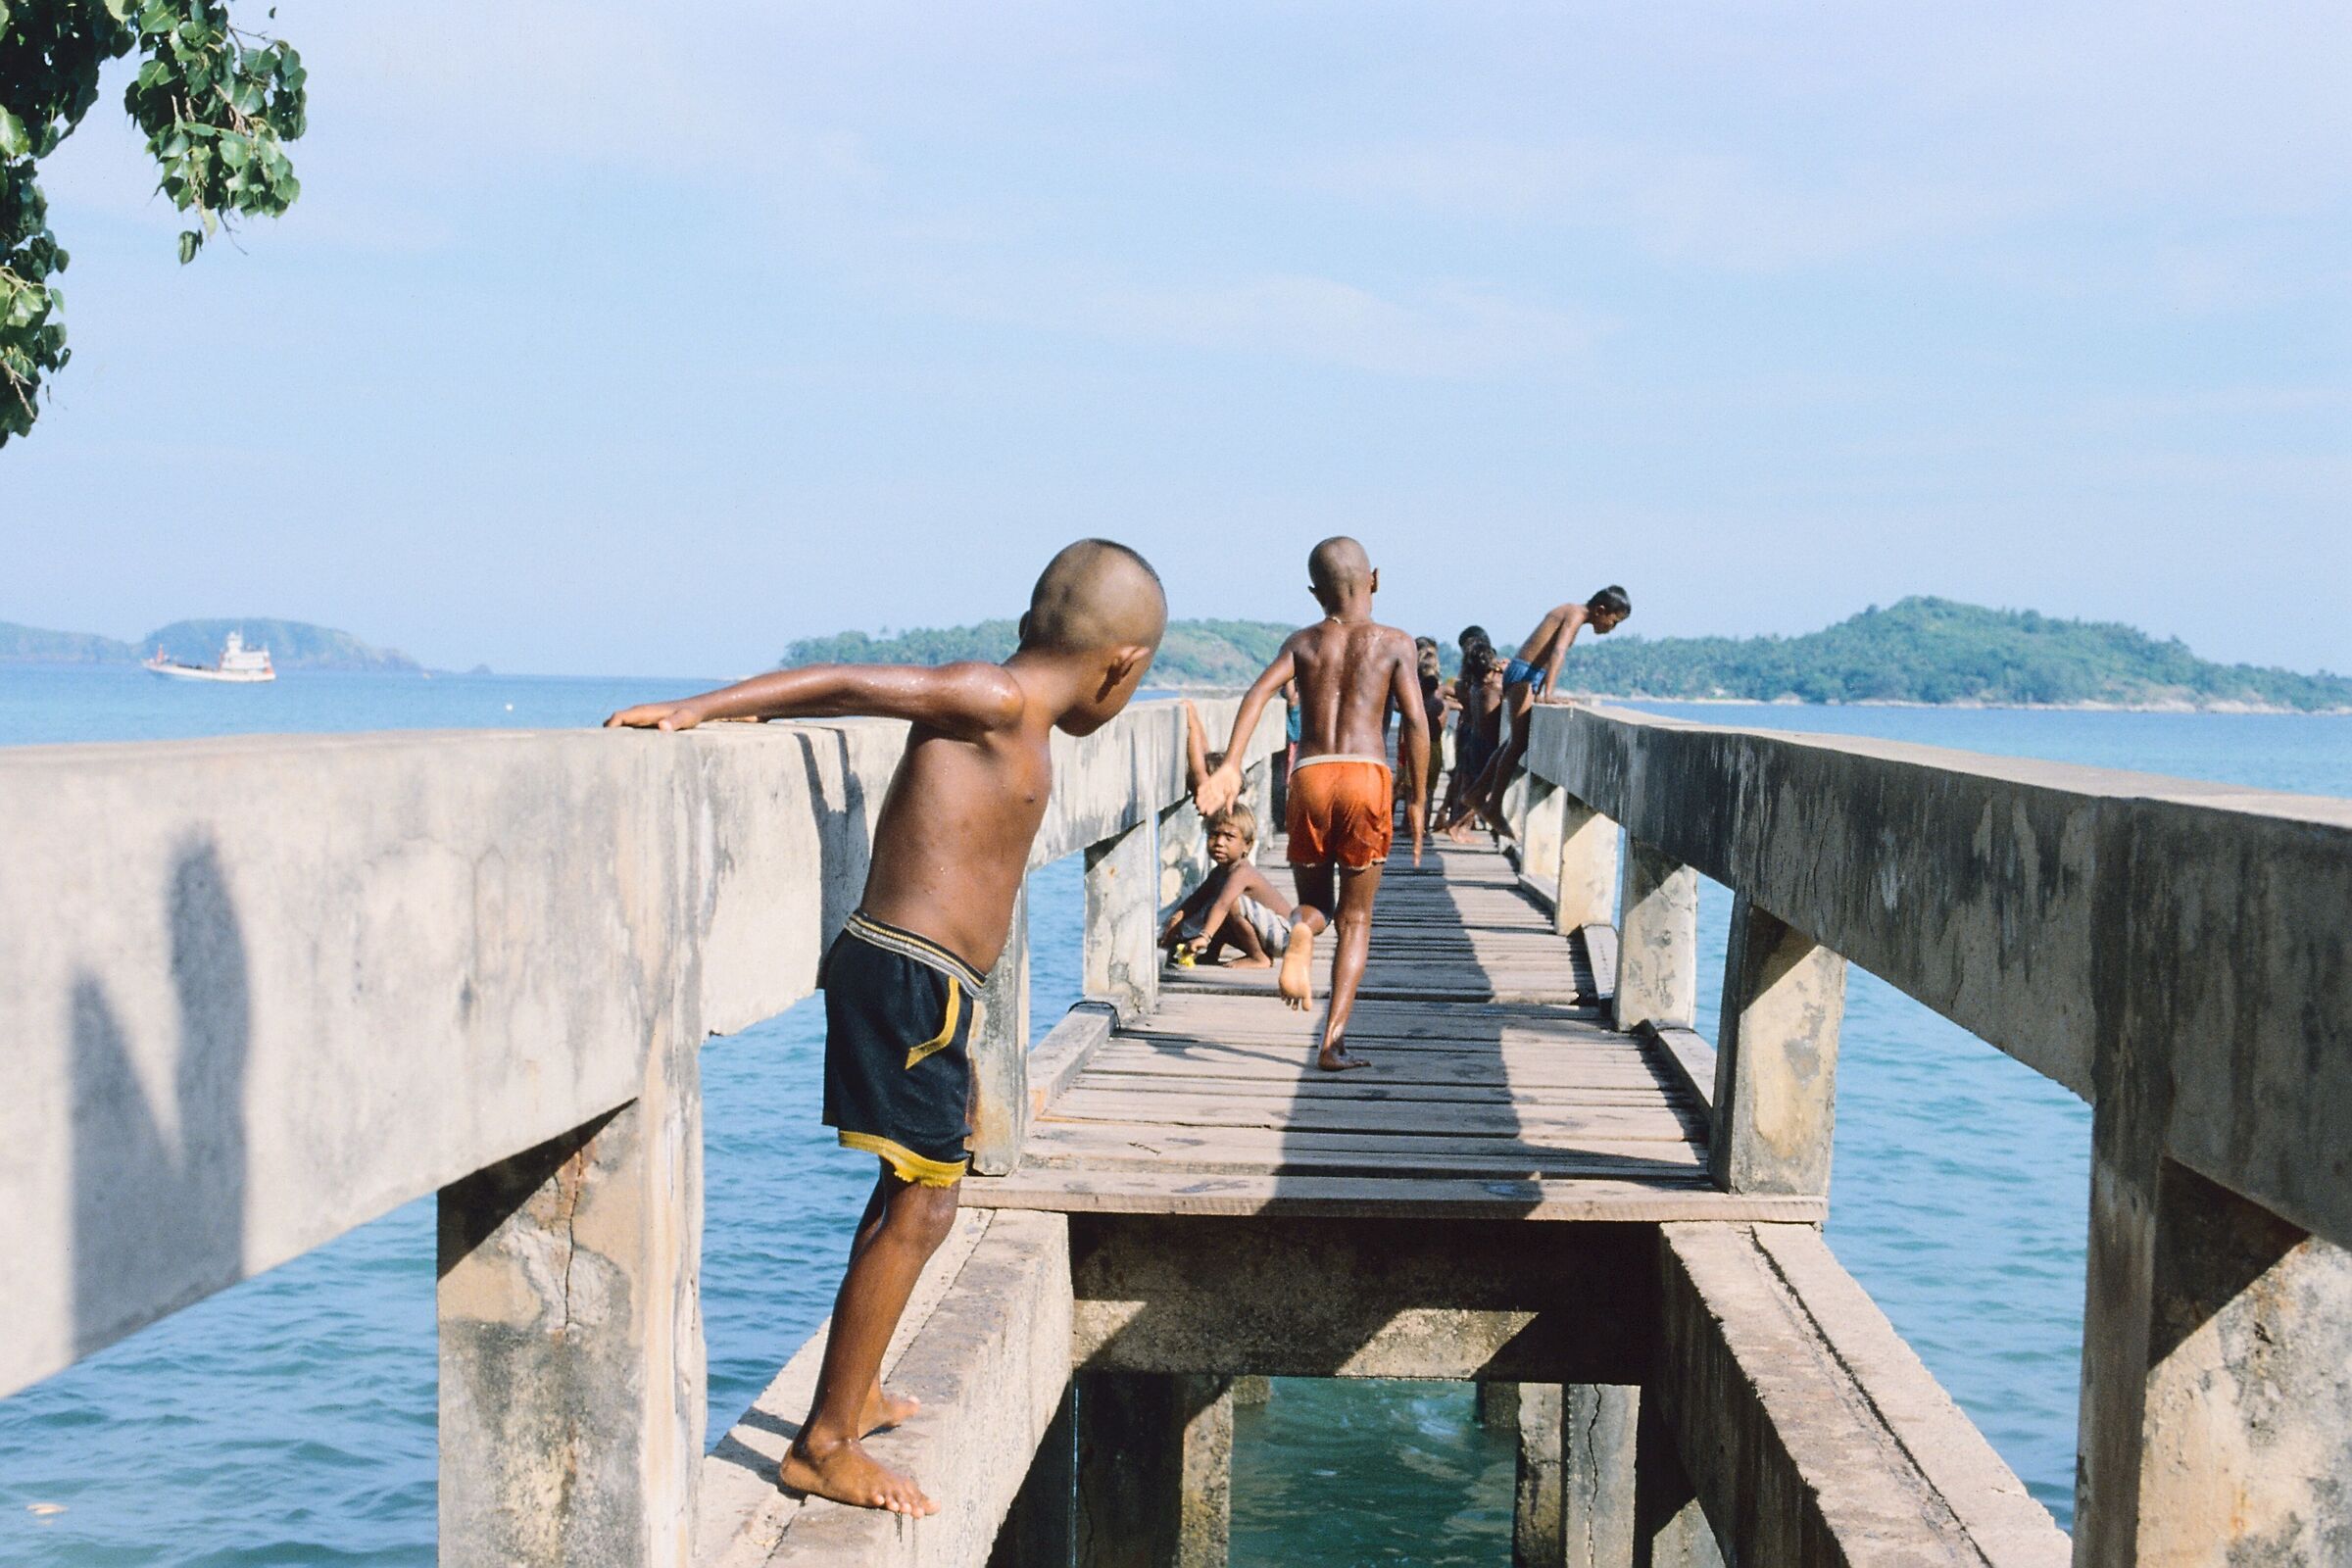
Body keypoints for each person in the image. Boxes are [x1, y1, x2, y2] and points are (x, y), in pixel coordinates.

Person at [605, 539, 1166, 1517]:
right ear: (1122, 664)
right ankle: (822, 1443)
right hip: (909, 982)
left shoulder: (1017, 713)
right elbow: (851, 682)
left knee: (915, 1192)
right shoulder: (994, 698)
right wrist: (708, 707)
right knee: (924, 1204)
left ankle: (853, 1392)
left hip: (933, 988)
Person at [1196, 537, 1429, 1070]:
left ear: (1313, 592)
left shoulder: (1302, 643)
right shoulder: (1395, 642)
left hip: (1310, 776)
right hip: (1367, 775)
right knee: (1357, 919)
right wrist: (1416, 798)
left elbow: (1257, 694)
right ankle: (1333, 1044)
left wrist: (1231, 764)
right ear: (1375, 578)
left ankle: (1301, 928)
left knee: (1318, 906)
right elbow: (1416, 721)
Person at [1442, 586, 1630, 841]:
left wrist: (1542, 687)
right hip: (1523, 674)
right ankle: (1492, 804)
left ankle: (1477, 793)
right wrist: (1548, 693)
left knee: (1511, 742)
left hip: (1528, 674)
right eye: (1614, 622)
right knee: (1518, 743)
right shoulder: (1574, 614)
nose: (1611, 628)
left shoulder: (1570, 610)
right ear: (1601, 610)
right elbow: (1557, 651)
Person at [1159, 804, 1294, 968]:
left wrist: (1204, 937)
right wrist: (1176, 918)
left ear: (1247, 845)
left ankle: (1259, 957)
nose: (1219, 843)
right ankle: (1212, 954)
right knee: (1212, 905)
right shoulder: (1219, 873)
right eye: (1214, 835)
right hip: (1266, 932)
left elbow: (1223, 905)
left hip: (1285, 936)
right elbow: (1196, 900)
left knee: (1227, 904)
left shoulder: (1242, 871)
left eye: (1229, 837)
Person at [1441, 632, 1503, 840]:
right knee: (1479, 790)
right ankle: (1458, 825)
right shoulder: (1494, 686)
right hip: (1486, 745)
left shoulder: (1473, 686)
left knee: (1469, 784)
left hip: (1472, 739)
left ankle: (1458, 824)